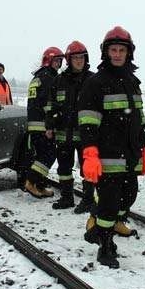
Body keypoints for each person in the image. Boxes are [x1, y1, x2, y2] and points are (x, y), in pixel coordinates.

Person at [78, 26, 145, 269]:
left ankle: (99, 221)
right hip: (107, 154)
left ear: (128, 53)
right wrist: (90, 153)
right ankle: (105, 244)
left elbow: (138, 119)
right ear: (106, 52)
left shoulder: (133, 82)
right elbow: (88, 122)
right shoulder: (96, 83)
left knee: (129, 195)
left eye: (122, 50)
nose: (118, 54)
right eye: (113, 50)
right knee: (109, 203)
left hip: (130, 153)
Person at [46, 41, 94, 211]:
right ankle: (67, 198)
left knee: (88, 169)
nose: (79, 61)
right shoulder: (59, 80)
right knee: (64, 168)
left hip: (85, 135)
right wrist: (49, 126)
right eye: (75, 58)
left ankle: (88, 201)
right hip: (63, 133)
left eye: (81, 57)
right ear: (69, 60)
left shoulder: (92, 80)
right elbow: (51, 105)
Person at [24, 47, 64, 198]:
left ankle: (40, 186)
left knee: (41, 155)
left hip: (34, 124)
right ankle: (31, 182)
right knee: (47, 156)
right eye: (56, 61)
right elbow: (48, 103)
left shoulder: (38, 77)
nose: (58, 64)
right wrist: (51, 124)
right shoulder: (49, 78)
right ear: (49, 60)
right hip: (43, 125)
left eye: (60, 61)